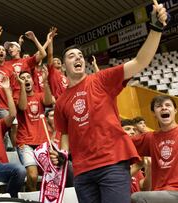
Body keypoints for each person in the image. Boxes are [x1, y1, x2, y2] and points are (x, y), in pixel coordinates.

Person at [50, 3, 168, 202]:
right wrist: (62, 154)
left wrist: (156, 28)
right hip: (82, 172)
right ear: (64, 67)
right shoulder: (61, 102)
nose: (78, 57)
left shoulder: (102, 79)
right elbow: (66, 135)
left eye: (80, 55)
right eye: (71, 56)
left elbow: (140, 62)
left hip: (112, 164)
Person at [131, 95, 178, 203]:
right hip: (159, 193)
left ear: (175, 110)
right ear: (154, 114)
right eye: (159, 106)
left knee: (137, 198)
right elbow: (122, 142)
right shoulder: (150, 137)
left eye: (168, 105)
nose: (164, 108)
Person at [16, 69, 53, 191]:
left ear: (33, 81)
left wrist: (46, 81)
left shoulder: (40, 95)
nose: (26, 79)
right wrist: (21, 86)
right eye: (23, 78)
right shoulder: (17, 96)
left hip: (42, 142)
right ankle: (30, 197)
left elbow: (48, 102)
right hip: (25, 142)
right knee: (32, 175)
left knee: (51, 174)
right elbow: (22, 106)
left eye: (28, 77)